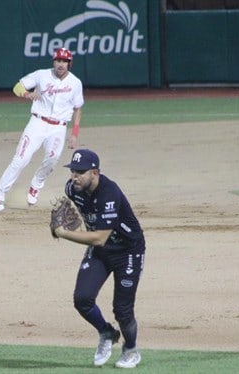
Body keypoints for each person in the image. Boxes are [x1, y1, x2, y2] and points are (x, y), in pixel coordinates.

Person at [52, 149, 145, 369]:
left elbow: (100, 238)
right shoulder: (72, 189)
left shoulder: (109, 192)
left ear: (95, 173)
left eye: (81, 172)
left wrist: (64, 233)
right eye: (73, 171)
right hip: (101, 253)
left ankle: (131, 350)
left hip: (127, 251)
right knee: (82, 299)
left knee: (122, 311)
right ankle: (106, 332)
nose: (75, 176)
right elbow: (68, 206)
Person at [0, 48, 83, 208]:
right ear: (54, 61)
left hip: (59, 127)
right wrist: (26, 94)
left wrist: (75, 134)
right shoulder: (41, 75)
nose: (61, 64)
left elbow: (78, 107)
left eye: (65, 61)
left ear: (69, 64)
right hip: (37, 123)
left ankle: (36, 185)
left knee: (52, 159)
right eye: (58, 60)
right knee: (20, 159)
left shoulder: (75, 83)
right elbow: (17, 87)